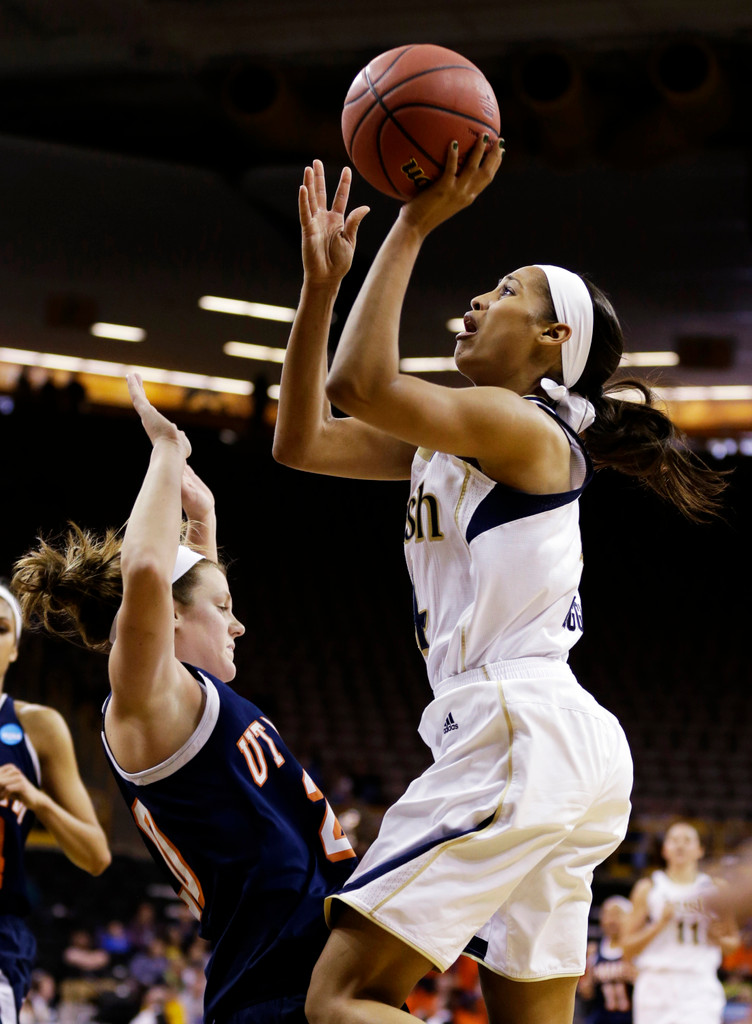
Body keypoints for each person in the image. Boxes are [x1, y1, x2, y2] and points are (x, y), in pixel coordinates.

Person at [271, 143, 728, 1024]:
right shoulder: (463, 437)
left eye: (508, 290)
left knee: (340, 1001)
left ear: (555, 340)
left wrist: (412, 224)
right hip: (556, 741)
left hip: (516, 726)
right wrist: (320, 290)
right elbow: (303, 442)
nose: (479, 300)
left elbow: (358, 383)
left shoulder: (522, 427)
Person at [11, 375, 357, 1024]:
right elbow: (150, 572)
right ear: (166, 618)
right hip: (277, 979)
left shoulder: (191, 699)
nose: (238, 624)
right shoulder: (145, 702)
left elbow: (184, 586)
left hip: (314, 953)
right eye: (225, 609)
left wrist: (204, 523)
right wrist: (168, 450)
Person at [0, 581, 110, 1024]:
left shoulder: (37, 727)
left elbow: (97, 855)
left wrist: (37, 799)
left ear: (15, 649)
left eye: (1, 629)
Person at [621, 821, 739, 1024]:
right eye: (674, 840)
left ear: (700, 850)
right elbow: (627, 947)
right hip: (656, 984)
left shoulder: (716, 889)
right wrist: (658, 925)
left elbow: (733, 944)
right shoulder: (649, 887)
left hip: (699, 984)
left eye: (687, 840)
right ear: (664, 850)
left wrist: (717, 937)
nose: (680, 845)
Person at [578, 896, 635, 1024]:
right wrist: (586, 981)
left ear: (630, 917)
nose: (611, 920)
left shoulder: (637, 951)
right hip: (600, 1018)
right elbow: (586, 993)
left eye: (617, 914)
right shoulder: (593, 951)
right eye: (607, 915)